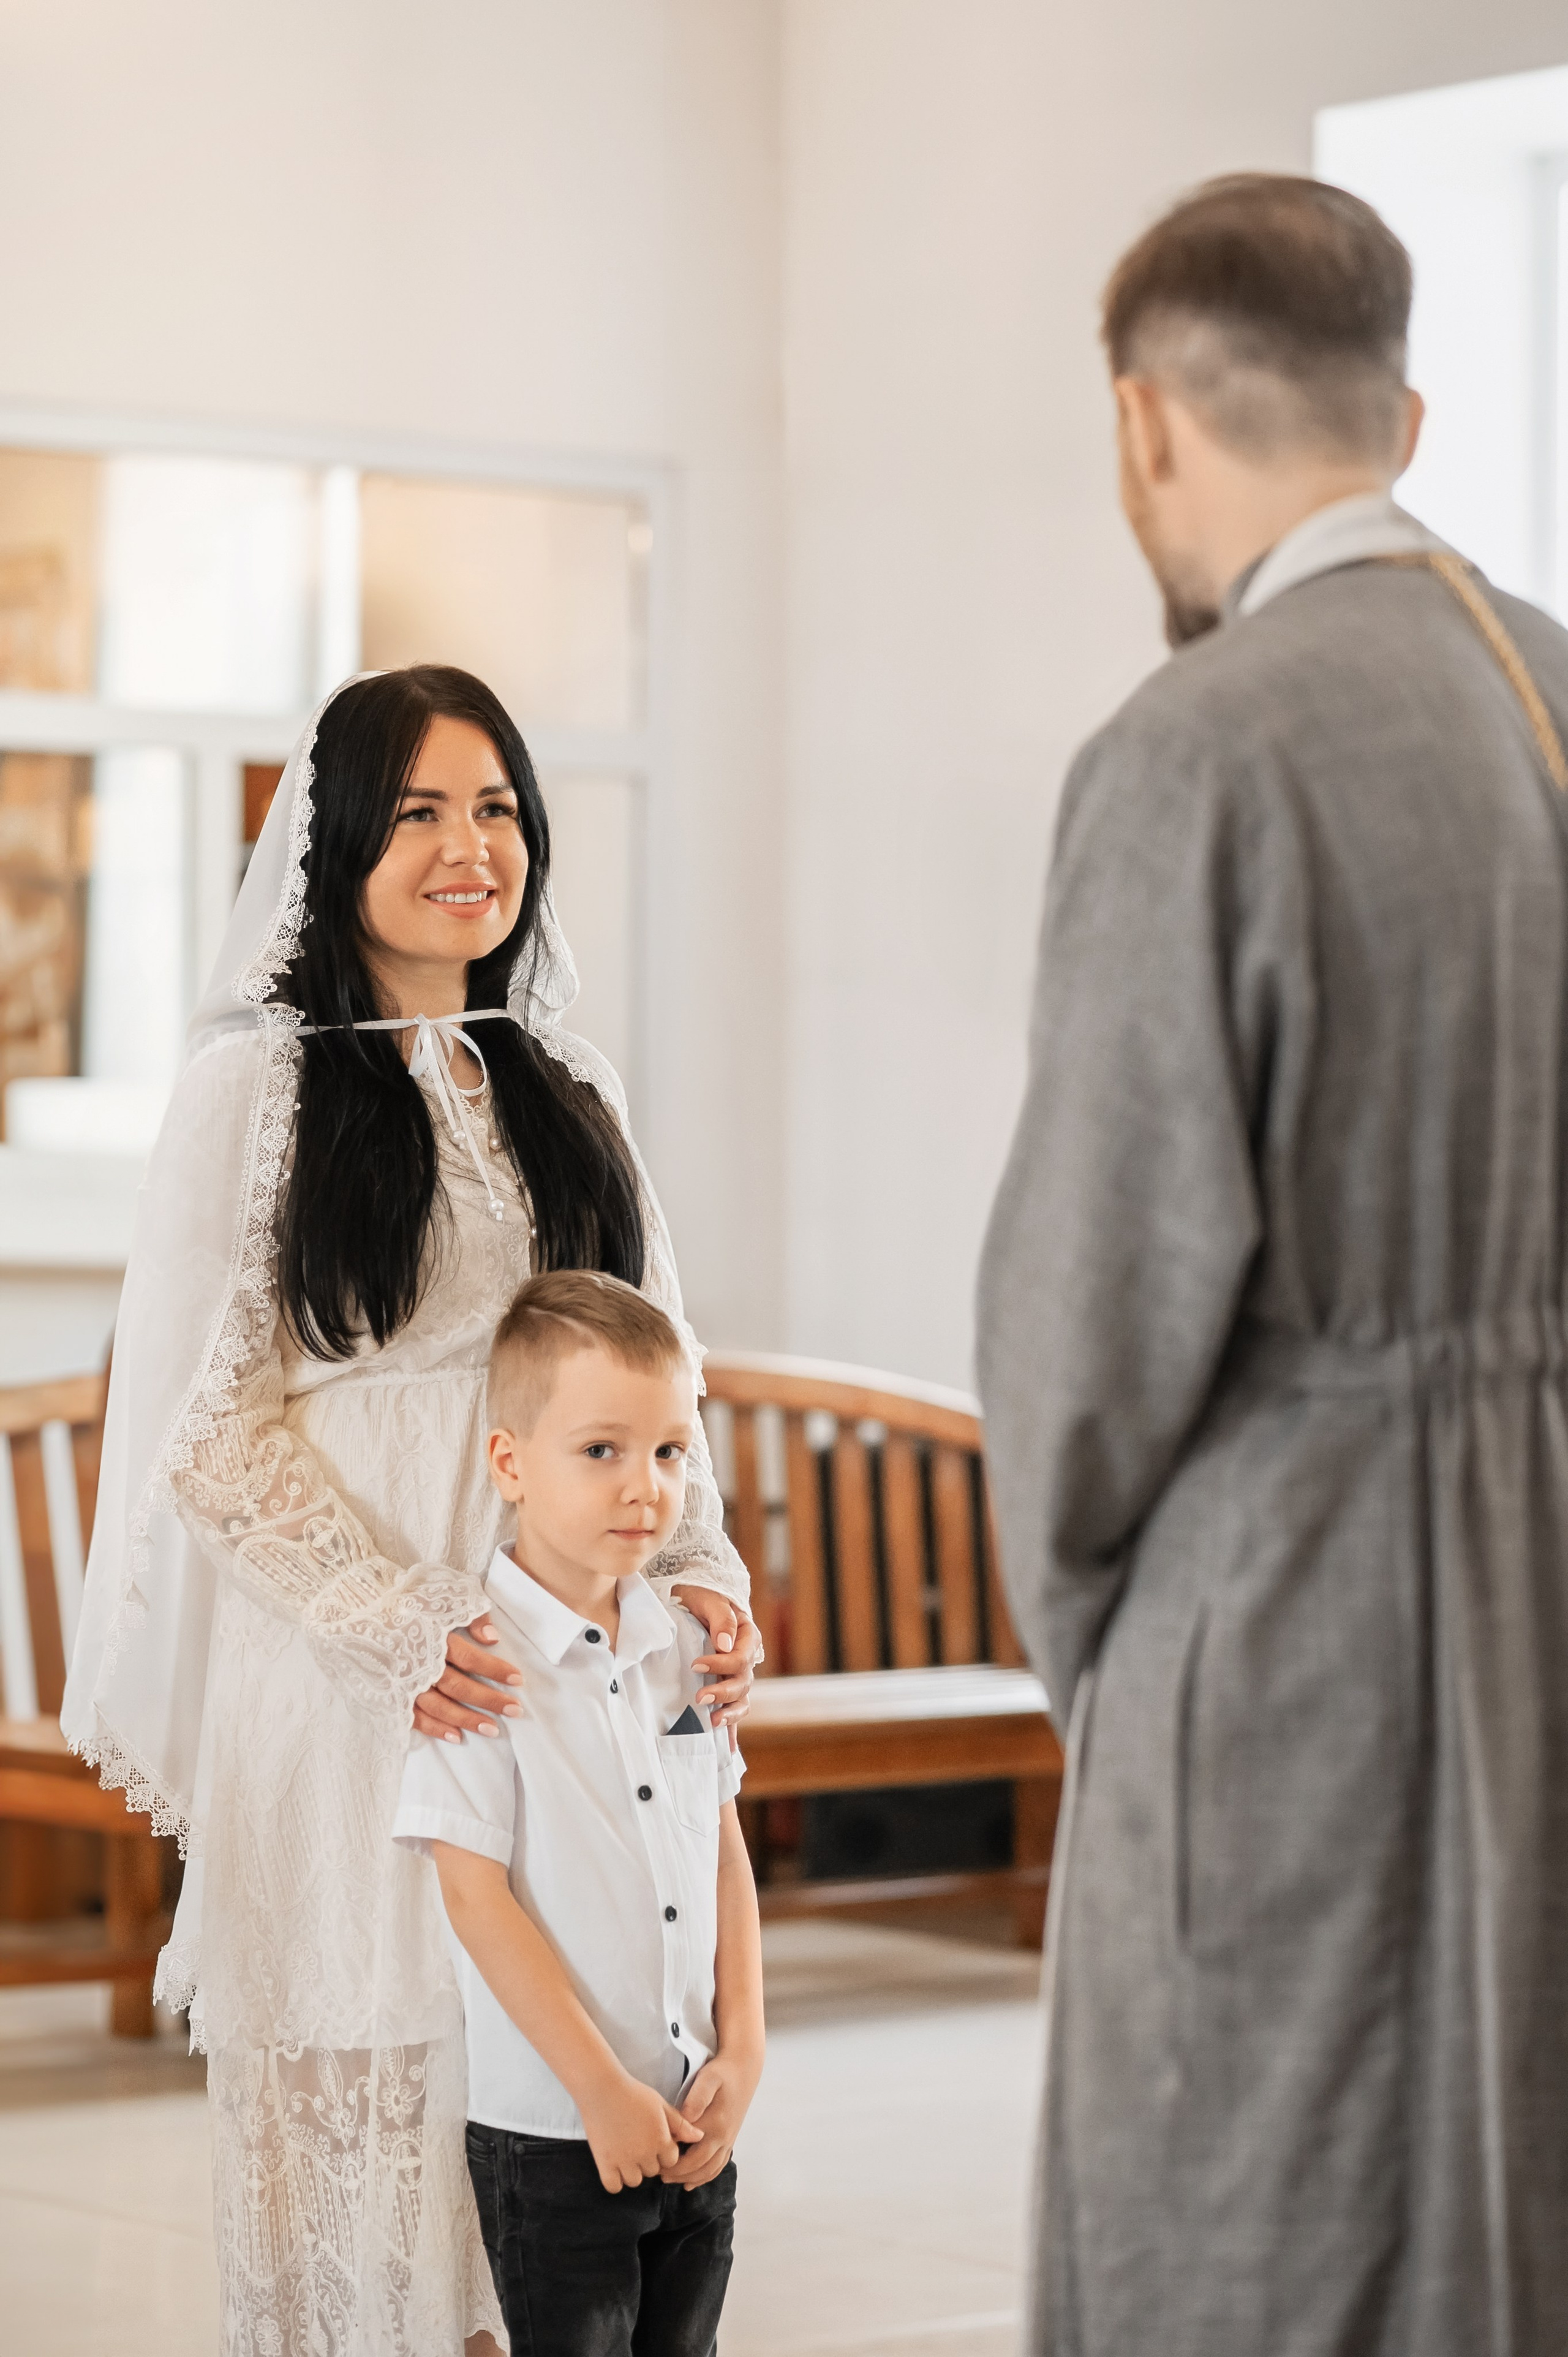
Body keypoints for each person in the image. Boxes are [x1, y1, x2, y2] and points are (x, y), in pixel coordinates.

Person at [976, 174, 1568, 2356]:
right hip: (1542, 1567)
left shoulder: (1198, 745)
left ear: (1146, 425)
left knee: (1240, 2193)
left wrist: (1104, 1641)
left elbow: (1094, 1305)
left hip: (1288, 1588)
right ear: (1403, 419)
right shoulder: (1554, 694)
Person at [61, 666, 760, 2357]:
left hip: (559, 1678)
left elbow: (654, 1370)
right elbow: (202, 1432)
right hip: (349, 1681)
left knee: (560, 2100)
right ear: (340, 845)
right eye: (425, 811)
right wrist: (409, 1625)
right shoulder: (263, 1091)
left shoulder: (563, 1080)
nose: (471, 849)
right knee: (389, 2108)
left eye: (500, 807)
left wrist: (703, 1572)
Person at [394, 1268, 765, 2356]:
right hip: (558, 2134)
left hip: (696, 2118)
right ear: (511, 1462)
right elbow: (476, 1897)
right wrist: (599, 2089)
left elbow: (726, 1860)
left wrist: (744, 2048)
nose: (643, 1486)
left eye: (667, 1452)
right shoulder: (474, 1671)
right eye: (601, 1450)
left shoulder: (693, 1651)